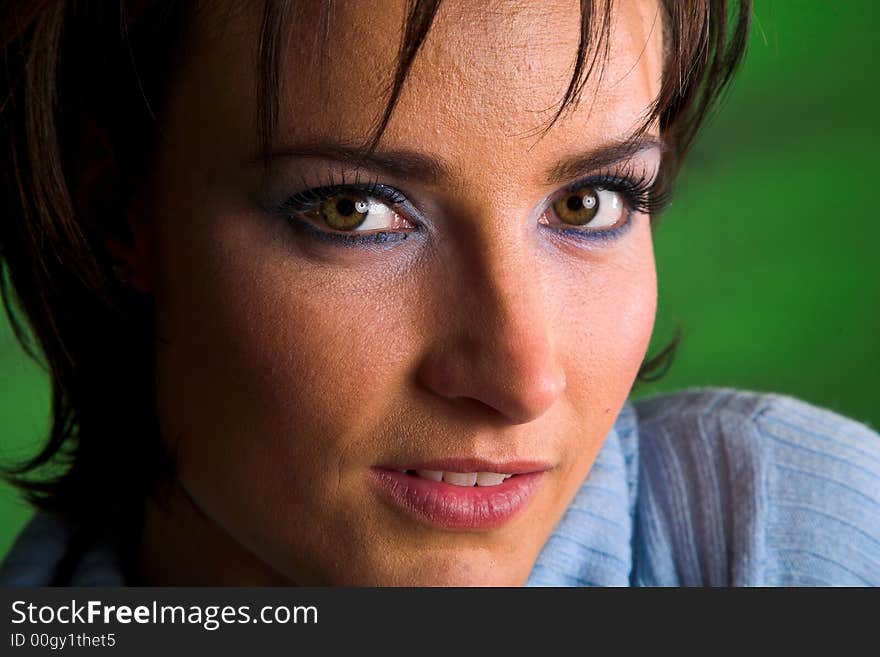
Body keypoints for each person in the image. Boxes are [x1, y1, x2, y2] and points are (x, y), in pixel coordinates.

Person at [0, 0, 878, 587]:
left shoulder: (807, 548)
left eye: (590, 201)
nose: (521, 375)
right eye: (354, 210)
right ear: (117, 213)